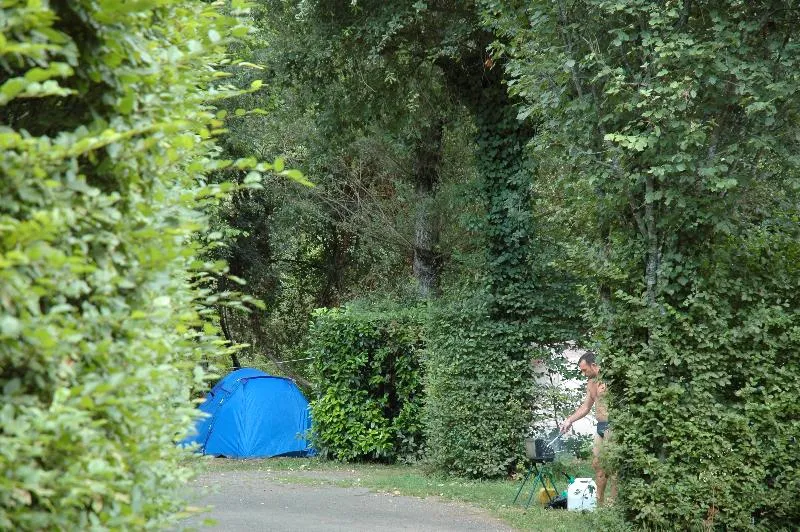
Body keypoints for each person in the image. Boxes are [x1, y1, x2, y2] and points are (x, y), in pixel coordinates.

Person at [559, 351, 616, 505]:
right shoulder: (591, 383)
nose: (584, 374)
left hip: (614, 426)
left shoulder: (611, 380)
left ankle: (614, 504)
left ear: (594, 365)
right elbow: (586, 407)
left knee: (613, 467)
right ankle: (600, 503)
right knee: (597, 465)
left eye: (585, 370)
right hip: (601, 426)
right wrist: (569, 420)